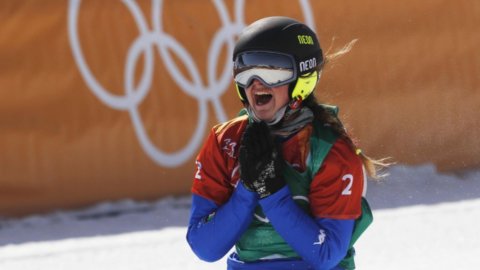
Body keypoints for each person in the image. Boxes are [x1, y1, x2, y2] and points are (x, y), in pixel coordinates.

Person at [186, 16, 384, 270]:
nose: (256, 83)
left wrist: (272, 192)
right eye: (246, 70)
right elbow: (204, 246)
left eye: (272, 71)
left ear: (302, 79)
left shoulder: (330, 150)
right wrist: (247, 188)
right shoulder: (225, 142)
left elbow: (327, 254)